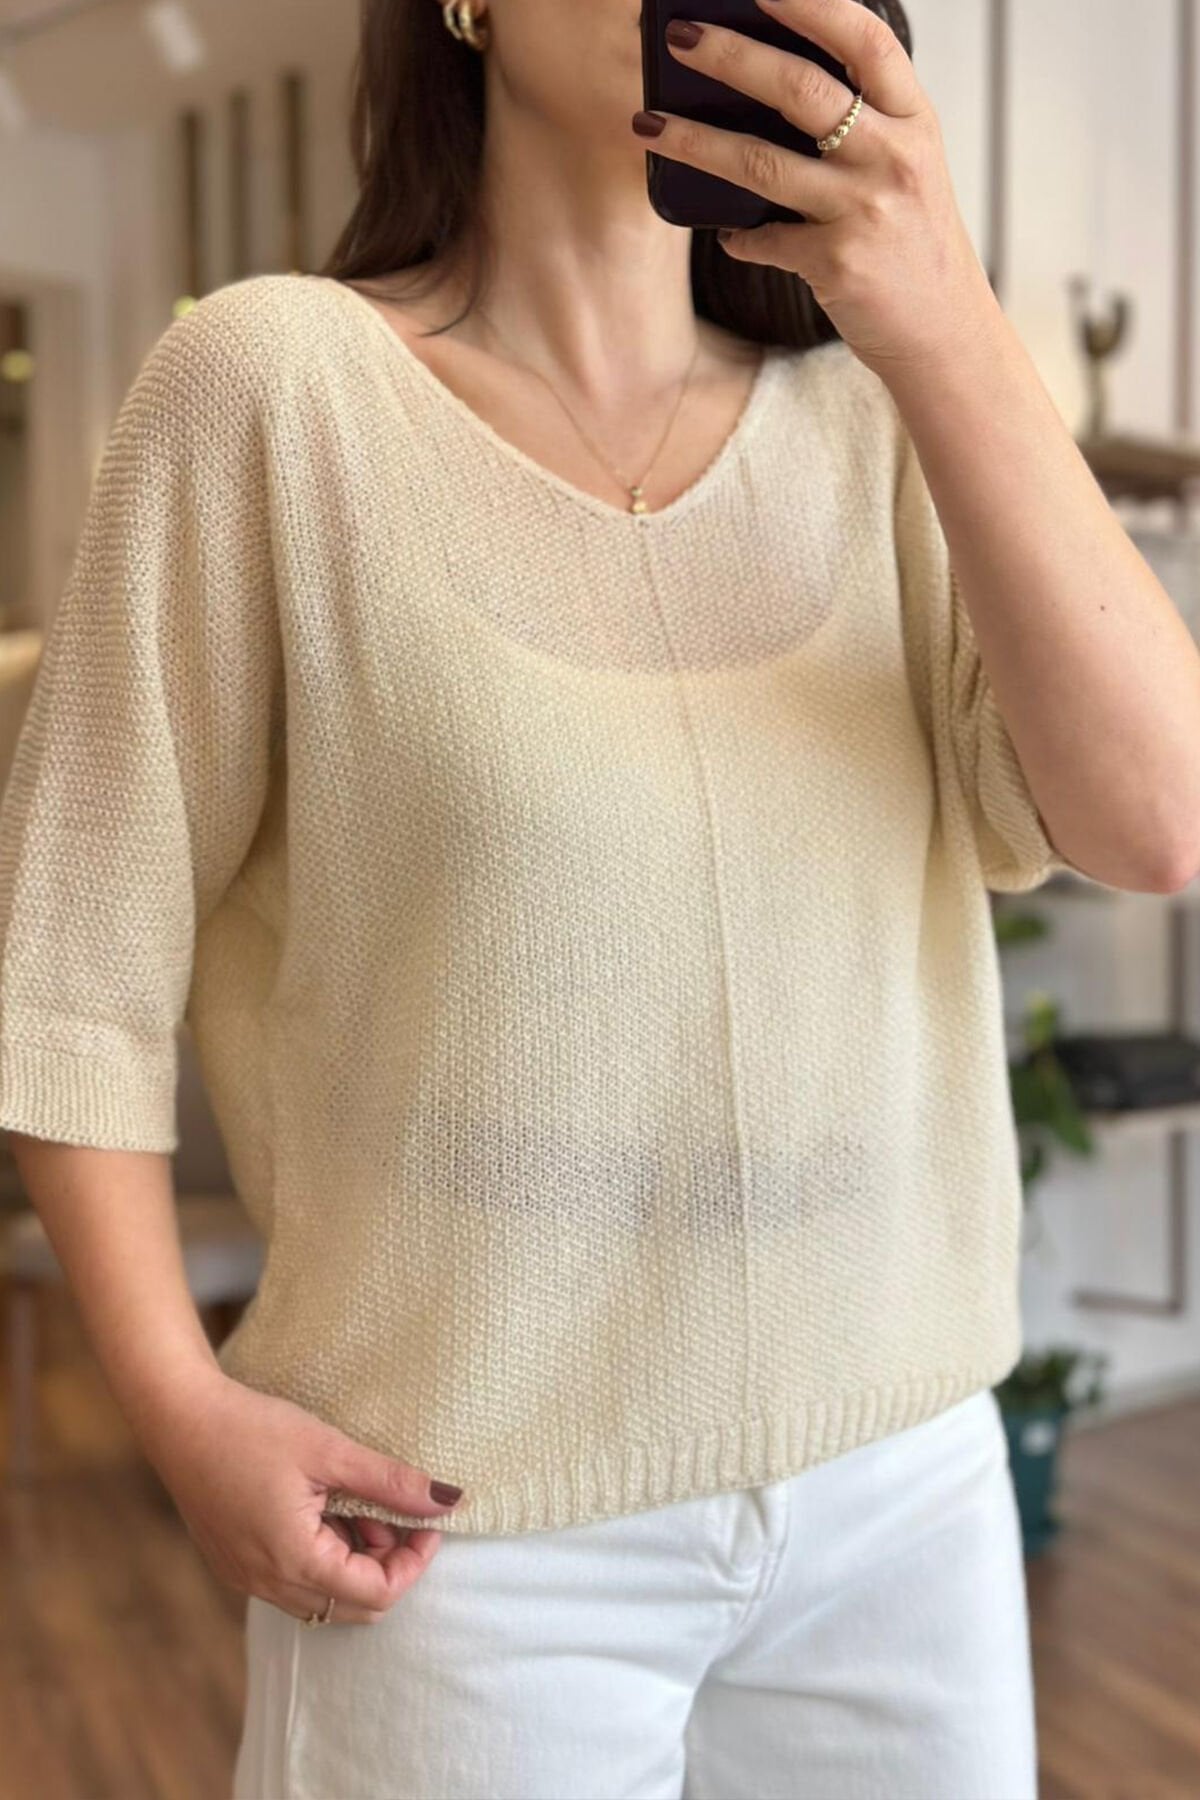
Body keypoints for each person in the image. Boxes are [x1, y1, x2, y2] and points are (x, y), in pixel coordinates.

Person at [2, 0, 1196, 1795]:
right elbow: (70, 968)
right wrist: (178, 1407)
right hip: (458, 1539)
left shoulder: (877, 412)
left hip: (907, 1491)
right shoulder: (272, 389)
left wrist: (940, 309)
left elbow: (1158, 820)